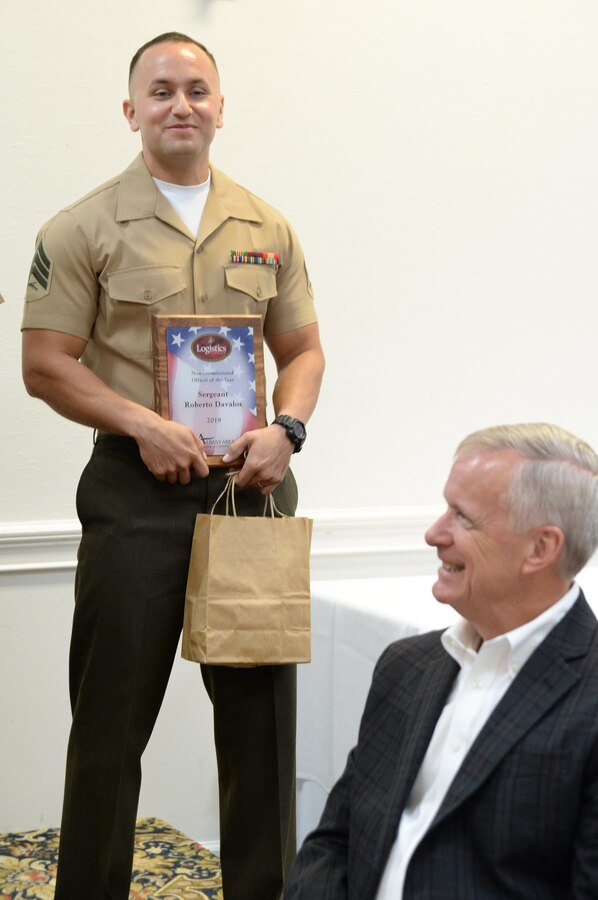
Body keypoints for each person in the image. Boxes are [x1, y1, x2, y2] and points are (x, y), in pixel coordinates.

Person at [22, 32, 324, 900]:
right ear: (131, 112)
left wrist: (289, 429)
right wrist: (140, 424)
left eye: (197, 90)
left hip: (250, 490)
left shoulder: (268, 227)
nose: (180, 105)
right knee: (111, 723)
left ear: (221, 107)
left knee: (261, 725)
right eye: (161, 92)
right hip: (135, 491)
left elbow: (303, 350)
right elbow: (45, 361)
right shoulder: (79, 228)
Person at [285, 423, 598, 899]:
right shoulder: (409, 666)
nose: (434, 533)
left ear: (541, 548)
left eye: (463, 518)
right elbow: (336, 842)